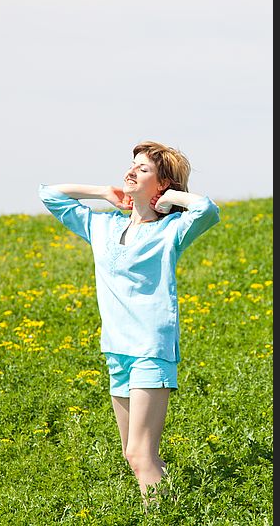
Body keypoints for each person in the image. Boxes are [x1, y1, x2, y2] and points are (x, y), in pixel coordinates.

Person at [38, 140, 220, 511]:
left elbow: (207, 209)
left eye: (144, 169)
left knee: (140, 455)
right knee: (134, 455)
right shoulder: (101, 226)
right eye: (131, 165)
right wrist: (103, 193)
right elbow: (50, 195)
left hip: (151, 349)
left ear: (162, 183)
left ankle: (163, 518)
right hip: (116, 351)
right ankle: (177, 507)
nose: (131, 172)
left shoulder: (171, 232)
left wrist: (170, 201)